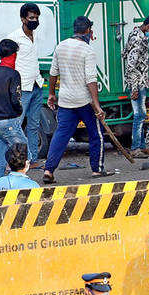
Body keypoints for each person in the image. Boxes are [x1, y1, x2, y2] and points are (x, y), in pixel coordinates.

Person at [44, 17, 111, 184]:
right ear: (88, 31)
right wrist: (97, 106)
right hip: (85, 102)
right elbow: (91, 80)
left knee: (60, 136)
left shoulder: (61, 46)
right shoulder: (87, 50)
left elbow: (53, 73)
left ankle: (48, 170)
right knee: (96, 135)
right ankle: (97, 169)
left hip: (66, 100)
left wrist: (51, 94)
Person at [122, 12, 149, 159]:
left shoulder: (136, 33)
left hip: (140, 80)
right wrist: (134, 88)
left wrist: (147, 62)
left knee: (141, 115)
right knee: (139, 115)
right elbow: (130, 65)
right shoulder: (138, 39)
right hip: (138, 83)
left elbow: (129, 56)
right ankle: (135, 148)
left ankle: (141, 146)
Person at [7, 3, 44, 166]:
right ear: (23, 19)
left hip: (36, 84)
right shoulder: (14, 38)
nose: (34, 20)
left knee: (34, 125)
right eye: (31, 18)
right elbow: (8, 63)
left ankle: (32, 159)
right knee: (16, 125)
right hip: (22, 87)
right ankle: (15, 162)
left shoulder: (36, 35)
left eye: (36, 17)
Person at [0, 39, 25, 179]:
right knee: (24, 154)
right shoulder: (14, 75)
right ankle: (20, 185)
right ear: (14, 55)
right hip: (9, 122)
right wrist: (19, 110)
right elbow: (15, 99)